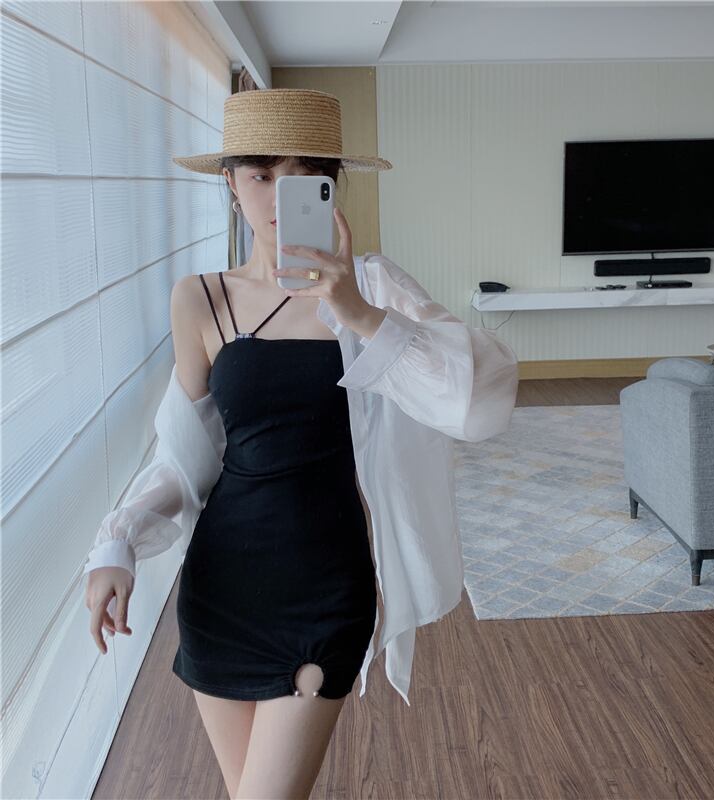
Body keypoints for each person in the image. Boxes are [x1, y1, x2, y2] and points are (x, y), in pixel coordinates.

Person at [82, 88, 519, 800]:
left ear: (331, 187)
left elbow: (482, 398)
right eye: (260, 175)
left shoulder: (371, 286)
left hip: (324, 585)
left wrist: (359, 315)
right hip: (221, 589)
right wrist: (118, 543)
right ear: (231, 184)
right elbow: (187, 458)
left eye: (304, 177)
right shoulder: (200, 298)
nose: (279, 198)